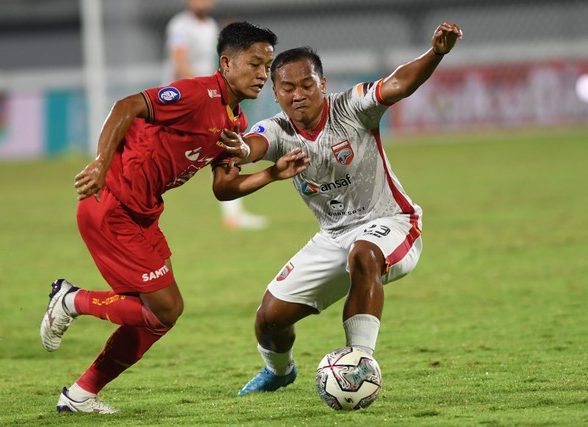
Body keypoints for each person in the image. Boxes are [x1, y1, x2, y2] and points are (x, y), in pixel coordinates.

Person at [38, 21, 290, 414]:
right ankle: (72, 300)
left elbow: (223, 189)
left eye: (267, 67)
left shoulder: (234, 124)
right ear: (226, 63)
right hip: (111, 204)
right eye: (254, 63)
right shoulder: (196, 93)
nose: (262, 74)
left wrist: (271, 173)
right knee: (166, 308)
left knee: (157, 317)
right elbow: (127, 106)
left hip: (143, 214)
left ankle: (81, 395)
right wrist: (102, 163)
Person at [212, 22, 463, 395]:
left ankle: (358, 365)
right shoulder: (278, 130)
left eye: (307, 85)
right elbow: (253, 147)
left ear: (323, 85)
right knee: (270, 318)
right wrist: (241, 150)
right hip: (333, 237)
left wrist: (436, 53)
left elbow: (398, 84)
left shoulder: (353, 106)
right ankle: (279, 372)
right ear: (276, 95)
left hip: (391, 222)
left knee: (364, 255)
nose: (299, 95)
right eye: (288, 88)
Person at [166, 0, 269, 230]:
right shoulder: (180, 25)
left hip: (211, 99)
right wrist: (202, 91)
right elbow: (180, 61)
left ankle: (233, 213)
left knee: (227, 147)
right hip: (188, 101)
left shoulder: (211, 26)